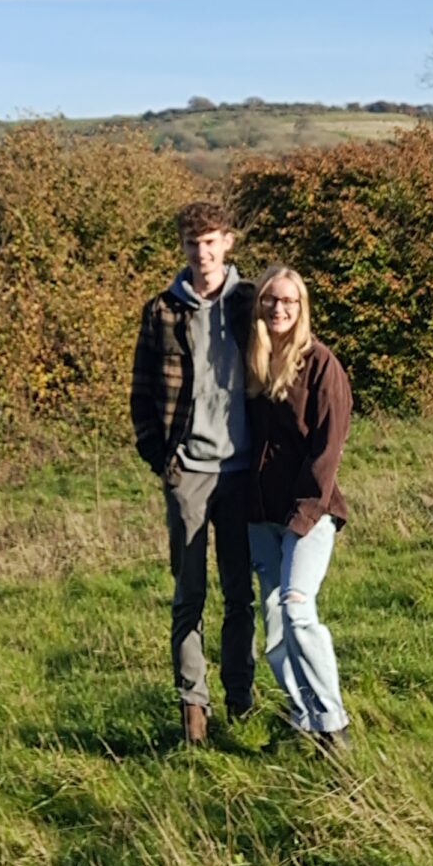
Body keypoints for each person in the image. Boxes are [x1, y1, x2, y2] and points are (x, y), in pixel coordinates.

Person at [130, 199, 256, 745]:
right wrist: (162, 459)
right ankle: (193, 711)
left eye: (209, 242)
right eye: (191, 244)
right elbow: (142, 391)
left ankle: (241, 700)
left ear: (227, 242)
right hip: (189, 474)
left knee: (240, 594)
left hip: (242, 471)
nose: (201, 253)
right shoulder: (161, 311)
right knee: (189, 595)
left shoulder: (252, 302)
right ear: (182, 248)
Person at [245, 263, 352, 746]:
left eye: (289, 300)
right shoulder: (252, 363)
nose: (279, 308)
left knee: (297, 609)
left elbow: (328, 448)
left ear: (301, 307)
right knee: (273, 625)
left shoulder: (322, 365)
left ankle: (333, 724)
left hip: (310, 513)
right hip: (259, 514)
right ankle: (303, 716)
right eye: (270, 299)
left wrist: (304, 515)